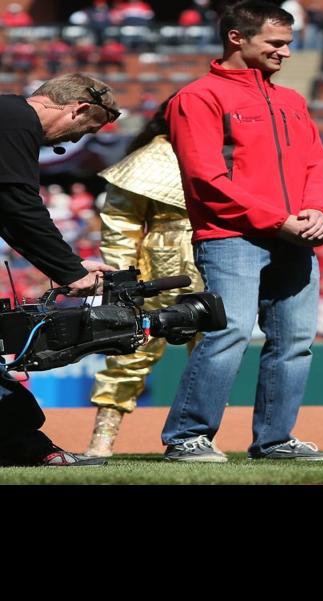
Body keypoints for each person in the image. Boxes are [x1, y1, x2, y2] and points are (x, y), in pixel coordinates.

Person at [160, 1, 323, 462]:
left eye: (288, 43)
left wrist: (318, 210)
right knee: (231, 332)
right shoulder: (198, 97)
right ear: (237, 38)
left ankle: (276, 440)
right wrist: (279, 220)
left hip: (295, 235)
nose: (285, 52)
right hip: (230, 236)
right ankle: (187, 438)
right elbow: (205, 178)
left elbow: (317, 163)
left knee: (295, 341)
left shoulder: (291, 100)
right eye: (275, 43)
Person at [0, 73, 118, 466]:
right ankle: (30, 448)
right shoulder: (16, 119)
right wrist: (70, 271)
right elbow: (17, 205)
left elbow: (9, 216)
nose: (75, 142)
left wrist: (71, 264)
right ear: (77, 109)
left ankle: (28, 447)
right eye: (87, 128)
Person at [83, 97, 206, 458]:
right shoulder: (146, 160)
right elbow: (120, 227)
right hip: (160, 266)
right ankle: (100, 442)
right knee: (131, 349)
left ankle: (197, 439)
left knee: (213, 353)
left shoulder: (227, 155)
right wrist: (124, 281)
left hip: (219, 258)